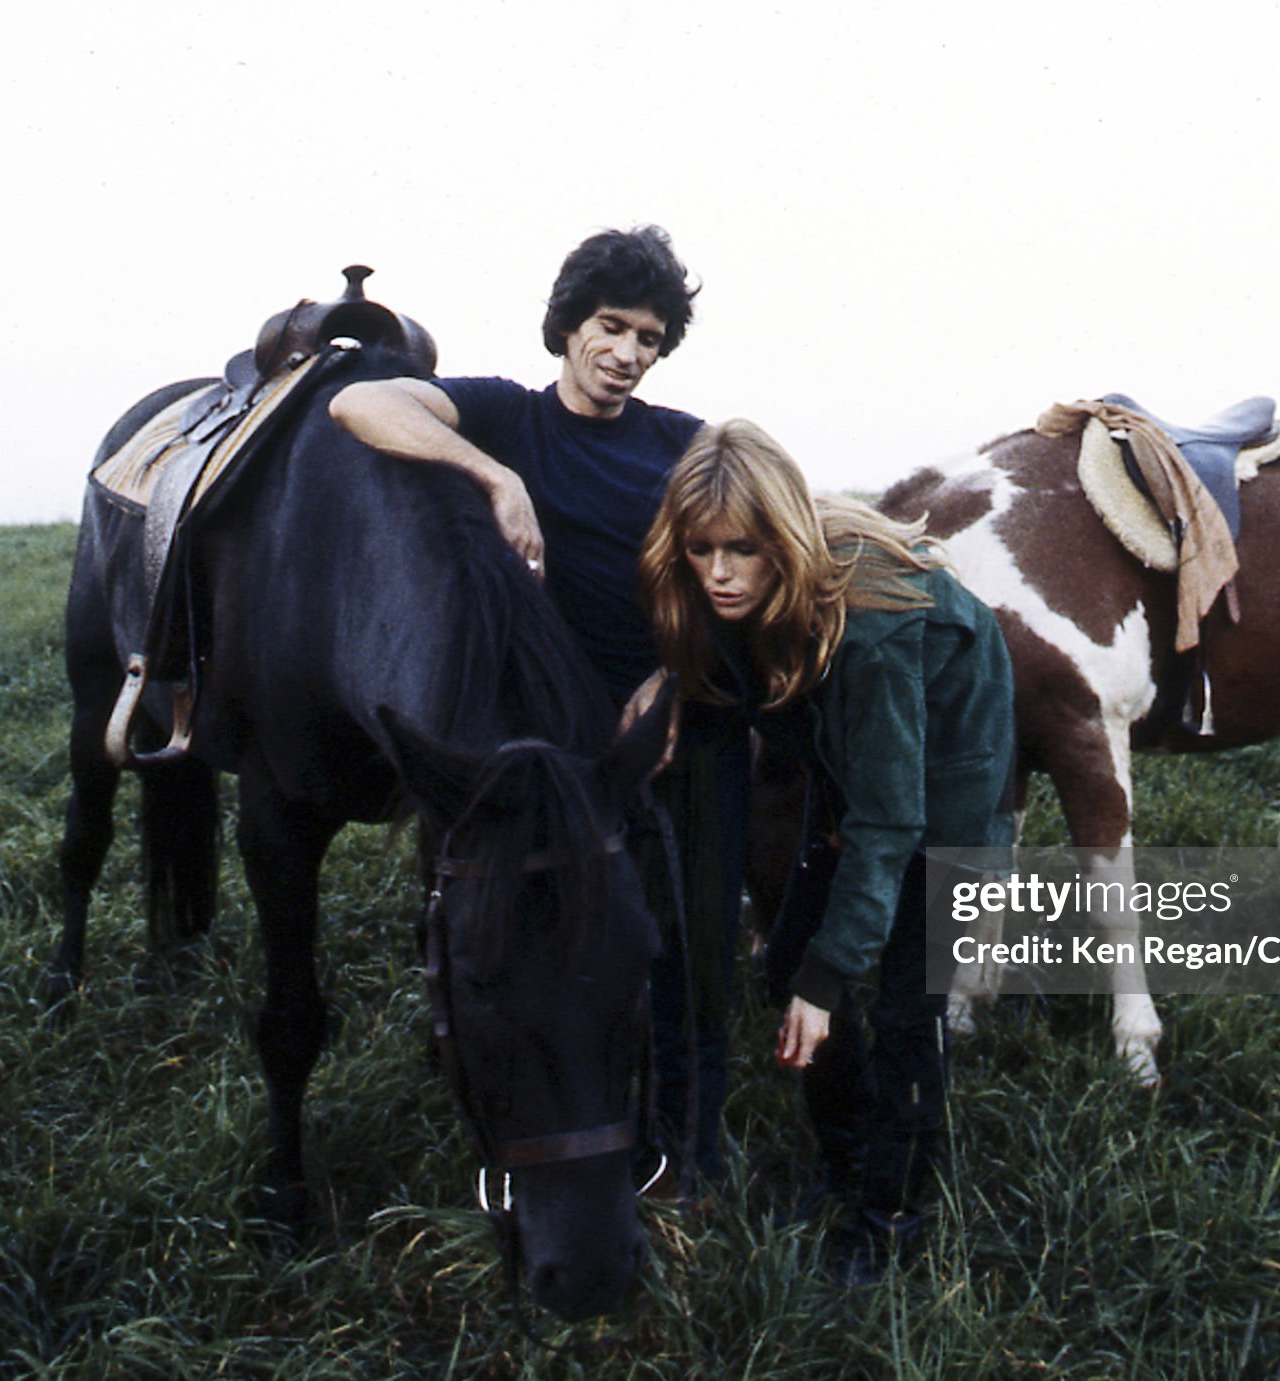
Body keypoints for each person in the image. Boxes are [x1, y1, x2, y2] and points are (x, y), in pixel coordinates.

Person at [328, 226, 745, 1193]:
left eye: (648, 337)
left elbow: (733, 574)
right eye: (610, 326)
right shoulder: (506, 418)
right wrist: (492, 473)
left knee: (690, 941)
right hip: (559, 736)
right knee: (570, 945)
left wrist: (679, 673)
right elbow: (361, 400)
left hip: (673, 718)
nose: (627, 354)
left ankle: (692, 1157)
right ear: (567, 328)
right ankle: (569, 1127)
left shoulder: (683, 442)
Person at [636, 418, 1017, 1283]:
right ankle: (846, 1165)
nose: (720, 573)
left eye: (741, 550)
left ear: (782, 539)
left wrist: (830, 972)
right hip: (852, 771)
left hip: (946, 798)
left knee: (905, 1011)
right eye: (702, 550)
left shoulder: (872, 626)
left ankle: (891, 1220)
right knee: (790, 970)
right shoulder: (725, 584)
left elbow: (893, 819)